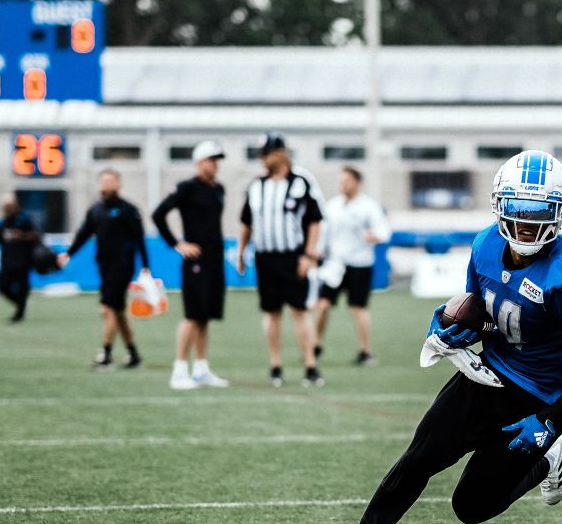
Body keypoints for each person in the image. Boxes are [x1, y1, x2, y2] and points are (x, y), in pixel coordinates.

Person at [298, 151, 562, 524]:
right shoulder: (486, 244)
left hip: (536, 399)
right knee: (417, 460)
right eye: (518, 209)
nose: (526, 223)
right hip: (486, 375)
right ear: (499, 206)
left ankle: (550, 458)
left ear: (558, 214)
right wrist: (450, 327)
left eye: (539, 211)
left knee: (471, 507)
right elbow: (480, 309)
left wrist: (550, 421)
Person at [235, 132, 326, 388]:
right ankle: (275, 366)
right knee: (271, 312)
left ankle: (310, 365)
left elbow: (314, 221)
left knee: (299, 311)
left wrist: (309, 255)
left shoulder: (300, 182)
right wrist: (241, 252)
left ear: (281, 153)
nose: (262, 159)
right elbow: (246, 222)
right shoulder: (256, 186)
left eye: (266, 153)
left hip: (292, 256)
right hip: (265, 257)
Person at [152, 140, 232, 389]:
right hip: (195, 260)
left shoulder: (219, 189)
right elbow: (158, 214)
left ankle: (201, 368)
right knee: (192, 315)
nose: (215, 164)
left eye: (217, 160)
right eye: (211, 160)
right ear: (199, 162)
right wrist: (177, 244)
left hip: (214, 258)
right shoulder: (187, 188)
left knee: (205, 316)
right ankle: (179, 369)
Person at [58, 169, 150, 369]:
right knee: (117, 311)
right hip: (104, 266)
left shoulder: (128, 210)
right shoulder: (95, 210)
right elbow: (83, 234)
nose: (106, 185)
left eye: (110, 181)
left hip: (123, 265)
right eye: (103, 181)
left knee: (107, 308)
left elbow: (139, 239)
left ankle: (106, 355)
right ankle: (133, 355)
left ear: (118, 184)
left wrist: (145, 266)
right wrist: (68, 253)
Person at [314, 166, 391, 366]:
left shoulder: (368, 206)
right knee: (322, 305)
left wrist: (375, 236)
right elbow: (324, 233)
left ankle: (365, 351)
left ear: (357, 182)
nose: (343, 185)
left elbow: (383, 231)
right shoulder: (332, 206)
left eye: (346, 180)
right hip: (335, 264)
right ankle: (316, 344)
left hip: (360, 264)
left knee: (358, 308)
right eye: (341, 181)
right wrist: (316, 253)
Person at [0, 195, 42, 322]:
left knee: (23, 287)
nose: (8, 209)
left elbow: (37, 236)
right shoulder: (1, 222)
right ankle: (20, 303)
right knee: (2, 287)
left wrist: (22, 236)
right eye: (6, 207)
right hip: (7, 261)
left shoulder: (24, 219)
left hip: (24, 261)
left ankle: (20, 313)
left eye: (10, 206)